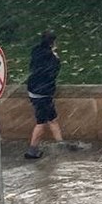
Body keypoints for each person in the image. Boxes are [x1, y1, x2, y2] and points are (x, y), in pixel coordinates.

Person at [25, 30, 66, 159]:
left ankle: (61, 145)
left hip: (34, 89)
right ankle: (32, 150)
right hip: (43, 94)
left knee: (52, 119)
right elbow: (52, 74)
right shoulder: (52, 58)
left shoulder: (36, 51)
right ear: (53, 42)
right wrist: (56, 58)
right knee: (41, 122)